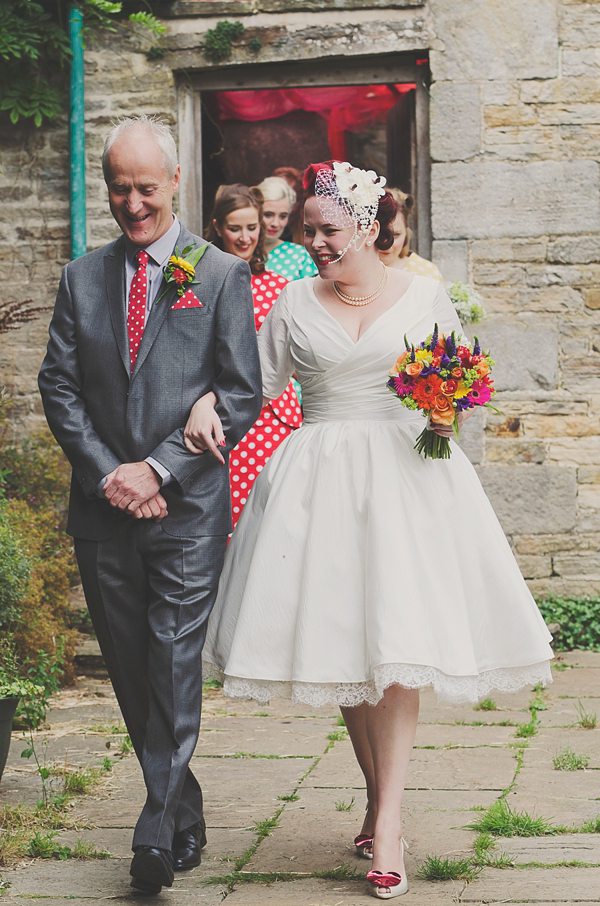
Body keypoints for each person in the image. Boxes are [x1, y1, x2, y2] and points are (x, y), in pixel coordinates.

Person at [187, 161, 553, 899]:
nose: (313, 242)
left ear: (362, 224)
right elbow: (252, 385)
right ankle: (376, 796)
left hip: (407, 482)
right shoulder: (292, 301)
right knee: (348, 649)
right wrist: (203, 404)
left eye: (327, 230)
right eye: (307, 230)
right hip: (319, 481)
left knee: (397, 650)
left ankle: (387, 826)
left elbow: (456, 380)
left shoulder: (424, 296)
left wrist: (447, 408)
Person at [38, 116, 262, 895]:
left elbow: (242, 391)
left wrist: (159, 469)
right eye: (118, 188)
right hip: (105, 510)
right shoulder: (80, 276)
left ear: (174, 183)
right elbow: (59, 388)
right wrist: (111, 475)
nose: (132, 204)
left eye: (145, 187)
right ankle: (183, 808)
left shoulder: (219, 274)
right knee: (134, 672)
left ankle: (152, 831)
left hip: (188, 508)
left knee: (171, 659)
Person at [198, 184, 301, 528]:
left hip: (276, 416)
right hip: (222, 413)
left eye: (252, 227)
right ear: (217, 228)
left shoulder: (278, 286)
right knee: (232, 514)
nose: (245, 237)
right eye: (235, 228)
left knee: (277, 516)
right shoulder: (201, 282)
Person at [257, 175, 318, 280]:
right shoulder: (243, 249)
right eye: (268, 214)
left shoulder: (300, 255)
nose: (275, 223)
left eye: (283, 216)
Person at [379, 188, 444, 281]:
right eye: (381, 235)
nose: (387, 244)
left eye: (396, 235)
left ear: (406, 232)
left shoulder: (427, 272)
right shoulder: (354, 272)